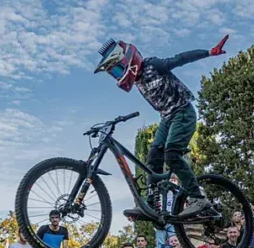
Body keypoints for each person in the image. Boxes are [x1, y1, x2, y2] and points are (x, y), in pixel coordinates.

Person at [95, 35, 229, 219]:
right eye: (115, 73)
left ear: (128, 61)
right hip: (167, 118)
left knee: (171, 154)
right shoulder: (138, 81)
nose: (119, 75)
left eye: (118, 69)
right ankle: (151, 204)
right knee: (153, 155)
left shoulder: (153, 65)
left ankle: (197, 198)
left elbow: (180, 59)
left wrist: (208, 52)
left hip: (183, 111)